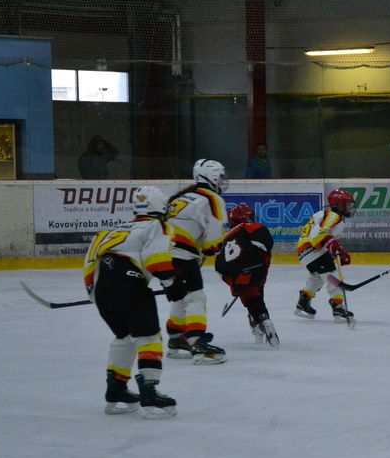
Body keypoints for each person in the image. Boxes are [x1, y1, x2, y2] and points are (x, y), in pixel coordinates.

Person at [83, 186, 186, 419]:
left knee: (125, 337)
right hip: (131, 286)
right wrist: (172, 283)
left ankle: (116, 389)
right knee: (149, 337)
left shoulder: (110, 231)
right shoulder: (157, 226)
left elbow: (89, 264)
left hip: (102, 290)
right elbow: (156, 260)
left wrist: (98, 295)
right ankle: (149, 390)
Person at [165, 159, 230, 364]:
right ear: (211, 177)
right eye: (220, 177)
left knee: (180, 296)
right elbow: (213, 239)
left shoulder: (183, 196)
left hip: (161, 254)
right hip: (181, 255)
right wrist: (213, 247)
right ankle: (196, 344)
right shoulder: (212, 198)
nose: (222, 181)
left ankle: (177, 340)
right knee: (196, 298)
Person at [214, 203, 279, 348]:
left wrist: (232, 282)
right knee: (256, 289)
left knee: (249, 294)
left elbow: (219, 268)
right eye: (250, 217)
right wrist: (263, 259)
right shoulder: (251, 227)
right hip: (257, 266)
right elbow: (266, 243)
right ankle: (261, 319)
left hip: (238, 272)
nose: (252, 220)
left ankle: (261, 320)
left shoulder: (224, 240)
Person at [294, 189, 356, 324]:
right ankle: (338, 307)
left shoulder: (325, 214)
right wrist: (333, 245)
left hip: (304, 251)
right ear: (339, 205)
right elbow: (317, 235)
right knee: (333, 276)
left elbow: (320, 235)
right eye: (348, 204)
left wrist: (334, 248)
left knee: (318, 276)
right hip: (312, 249)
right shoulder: (334, 215)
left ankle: (304, 301)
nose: (350, 207)